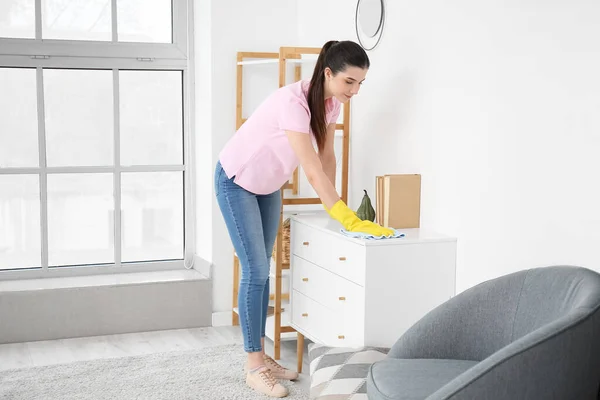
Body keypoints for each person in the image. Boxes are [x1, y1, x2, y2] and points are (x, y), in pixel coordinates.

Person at [214, 39, 394, 398]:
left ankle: (262, 358)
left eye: (361, 84)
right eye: (349, 82)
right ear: (328, 73)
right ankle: (254, 368)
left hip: (269, 186)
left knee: (263, 266)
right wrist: (345, 216)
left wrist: (339, 205)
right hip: (236, 181)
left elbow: (327, 159)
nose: (355, 91)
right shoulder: (292, 102)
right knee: (254, 271)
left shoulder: (331, 106)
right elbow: (311, 168)